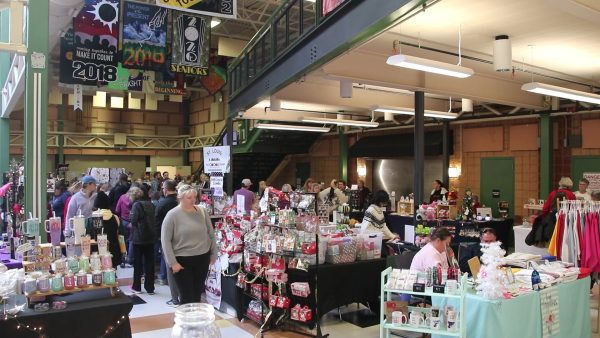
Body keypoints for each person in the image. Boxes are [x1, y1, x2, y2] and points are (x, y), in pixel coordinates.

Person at [161, 184, 218, 304]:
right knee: (187, 296)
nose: (193, 200)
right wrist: (173, 263)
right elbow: (165, 241)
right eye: (189, 197)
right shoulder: (172, 215)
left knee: (197, 294)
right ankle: (186, 321)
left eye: (195, 197)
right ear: (180, 198)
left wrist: (213, 253)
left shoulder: (202, 211)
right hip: (182, 260)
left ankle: (195, 321)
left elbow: (211, 233)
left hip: (202, 258)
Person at [155, 180, 181, 305]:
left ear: (165, 189)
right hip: (182, 239)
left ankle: (175, 298)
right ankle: (182, 296)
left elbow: (157, 220)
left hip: (166, 238)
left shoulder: (162, 203)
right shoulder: (180, 203)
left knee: (170, 266)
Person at [129, 186, 157, 294]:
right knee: (150, 263)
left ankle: (137, 286)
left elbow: (133, 220)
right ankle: (150, 287)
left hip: (139, 238)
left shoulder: (136, 205)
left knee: (138, 263)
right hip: (150, 236)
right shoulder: (151, 203)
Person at [93, 191, 123, 269]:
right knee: (112, 276)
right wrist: (123, 251)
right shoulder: (115, 217)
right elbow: (120, 235)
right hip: (114, 251)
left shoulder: (93, 219)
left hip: (97, 252)